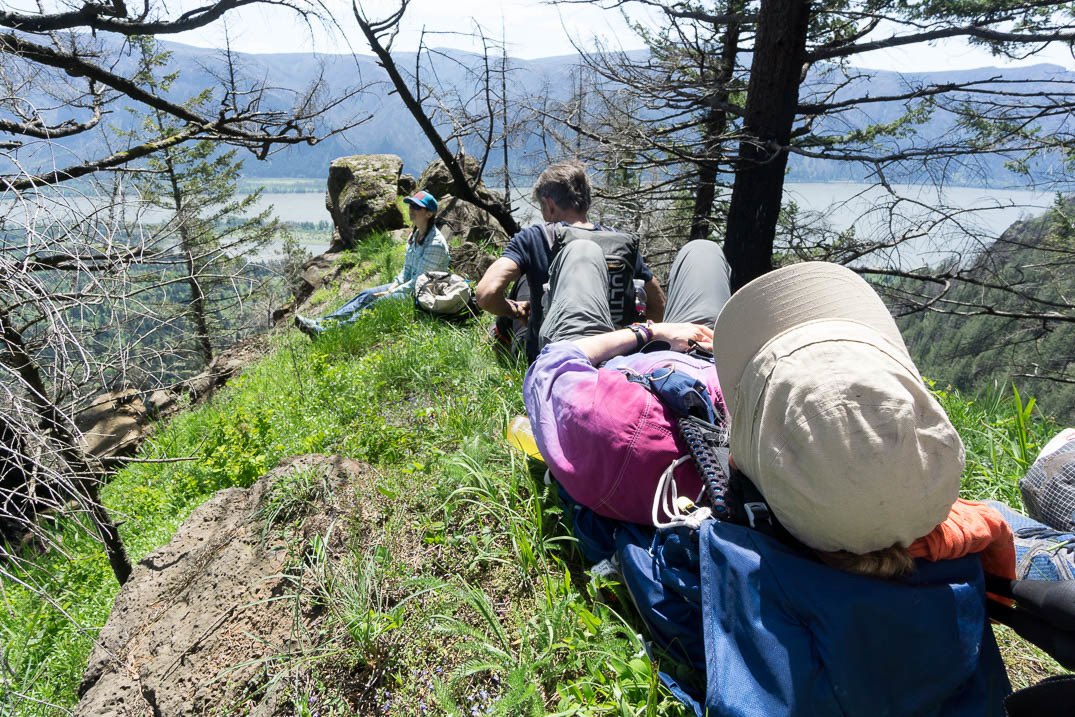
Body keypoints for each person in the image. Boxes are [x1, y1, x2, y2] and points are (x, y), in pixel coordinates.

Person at [525, 251, 1015, 714]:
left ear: (738, 457)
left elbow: (551, 365)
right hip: (701, 357)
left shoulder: (624, 434)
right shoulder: (891, 487)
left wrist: (645, 331)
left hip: (628, 367)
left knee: (630, 256)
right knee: (702, 257)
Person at [475, 160, 666, 364]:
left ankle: (497, 335)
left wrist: (515, 310)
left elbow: (486, 294)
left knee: (522, 282)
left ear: (549, 204)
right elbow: (659, 305)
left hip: (552, 363)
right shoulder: (620, 242)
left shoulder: (535, 238)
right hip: (616, 362)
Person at [294, 190, 450, 338]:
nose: (411, 209)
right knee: (367, 294)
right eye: (411, 205)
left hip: (424, 296)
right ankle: (321, 323)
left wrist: (391, 293)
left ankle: (328, 332)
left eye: (417, 207)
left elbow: (419, 282)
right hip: (409, 288)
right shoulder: (414, 235)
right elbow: (407, 270)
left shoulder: (435, 244)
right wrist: (393, 286)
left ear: (429, 213)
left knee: (378, 302)